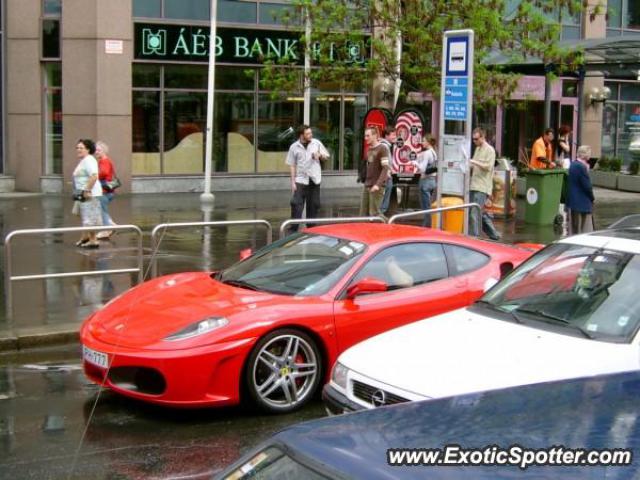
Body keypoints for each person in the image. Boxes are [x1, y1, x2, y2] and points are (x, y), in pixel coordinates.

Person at [286, 125, 330, 231]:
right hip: (300, 179)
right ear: (302, 135)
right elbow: (292, 165)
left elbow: (327, 156)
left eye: (311, 133)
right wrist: (292, 182)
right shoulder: (294, 147)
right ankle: (293, 228)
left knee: (314, 204)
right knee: (296, 204)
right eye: (308, 134)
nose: (311, 135)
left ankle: (311, 228)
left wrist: (319, 156)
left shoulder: (316, 143)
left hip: (314, 179)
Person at [469, 128, 501, 241]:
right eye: (473, 139)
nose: (474, 141)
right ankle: (494, 234)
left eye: (476, 139)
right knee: (478, 212)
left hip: (482, 186)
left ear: (483, 137)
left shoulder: (490, 150)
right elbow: (473, 165)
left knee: (474, 212)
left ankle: (474, 238)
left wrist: (473, 162)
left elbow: (488, 166)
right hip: (474, 184)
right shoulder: (477, 149)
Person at [72, 139, 102, 248]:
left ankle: (93, 240)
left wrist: (87, 190)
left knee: (89, 217)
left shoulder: (89, 160)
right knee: (81, 214)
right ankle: (85, 236)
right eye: (77, 147)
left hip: (89, 194)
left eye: (81, 148)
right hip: (81, 193)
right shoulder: (84, 160)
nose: (78, 150)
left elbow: (94, 176)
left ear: (88, 149)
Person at [359, 126, 390, 217]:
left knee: (375, 213)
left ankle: (389, 228)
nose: (366, 138)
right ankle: (364, 231)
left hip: (376, 186)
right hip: (367, 184)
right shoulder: (368, 149)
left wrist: (378, 184)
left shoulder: (382, 148)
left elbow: (385, 168)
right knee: (363, 213)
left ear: (375, 135)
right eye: (365, 136)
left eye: (368, 136)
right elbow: (369, 166)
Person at [567, 145, 595, 235]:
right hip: (582, 202)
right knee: (582, 230)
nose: (590, 155)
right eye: (589, 153)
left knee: (574, 227)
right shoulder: (582, 167)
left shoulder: (573, 164)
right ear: (585, 154)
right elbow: (587, 186)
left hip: (573, 201)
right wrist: (592, 197)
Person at [412, 135, 438, 227]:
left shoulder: (427, 153)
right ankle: (428, 225)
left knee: (426, 207)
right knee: (428, 205)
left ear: (428, 142)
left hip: (426, 181)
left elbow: (422, 169)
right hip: (432, 181)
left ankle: (427, 226)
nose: (422, 142)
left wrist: (415, 163)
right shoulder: (434, 152)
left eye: (423, 141)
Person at [95, 141, 117, 240]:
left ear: (104, 151)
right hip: (106, 190)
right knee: (101, 209)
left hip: (105, 191)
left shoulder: (104, 161)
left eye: (99, 150)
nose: (96, 152)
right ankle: (111, 225)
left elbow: (104, 172)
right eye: (96, 150)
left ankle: (106, 229)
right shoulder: (102, 161)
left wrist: (93, 176)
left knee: (101, 209)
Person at [379, 126, 397, 215]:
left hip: (386, 175)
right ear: (386, 136)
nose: (395, 137)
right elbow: (384, 162)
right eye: (393, 135)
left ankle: (380, 213)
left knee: (385, 193)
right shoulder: (385, 146)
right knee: (384, 195)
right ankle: (380, 214)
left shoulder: (385, 145)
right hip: (386, 176)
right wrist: (389, 171)